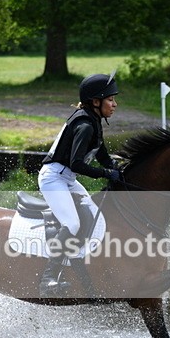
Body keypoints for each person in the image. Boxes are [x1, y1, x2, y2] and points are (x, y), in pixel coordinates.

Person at [37, 72, 122, 297]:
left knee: (95, 218)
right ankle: (49, 278)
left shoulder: (94, 120)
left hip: (67, 179)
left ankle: (79, 268)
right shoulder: (84, 125)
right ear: (96, 102)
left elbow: (102, 154)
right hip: (54, 178)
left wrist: (116, 167)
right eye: (110, 99)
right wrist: (105, 173)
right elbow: (76, 164)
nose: (115, 104)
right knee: (72, 224)